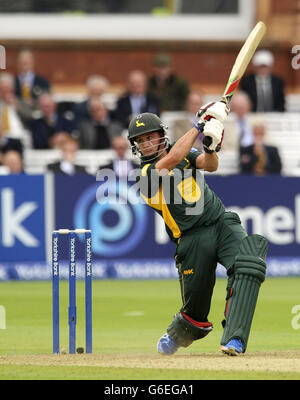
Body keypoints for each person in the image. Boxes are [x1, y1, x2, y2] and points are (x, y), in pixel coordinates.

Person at [127, 102, 268, 356]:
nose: (147, 143)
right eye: (141, 141)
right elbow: (170, 161)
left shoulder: (181, 152)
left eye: (150, 137)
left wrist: (210, 146)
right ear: (135, 146)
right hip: (191, 240)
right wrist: (199, 126)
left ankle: (234, 338)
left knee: (247, 265)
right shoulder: (145, 174)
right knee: (195, 315)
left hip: (220, 222)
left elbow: (209, 164)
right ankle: (177, 334)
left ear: (161, 135)